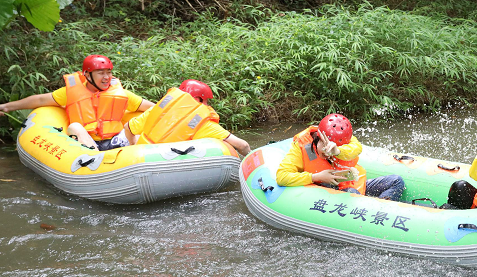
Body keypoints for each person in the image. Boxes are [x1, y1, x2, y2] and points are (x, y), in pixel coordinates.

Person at [0, 54, 154, 151]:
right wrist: (8, 107)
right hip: (89, 143)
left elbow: (152, 108)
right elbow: (40, 99)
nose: (106, 77)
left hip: (116, 140)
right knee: (74, 127)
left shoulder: (121, 94)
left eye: (109, 73)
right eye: (101, 73)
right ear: (87, 75)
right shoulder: (70, 93)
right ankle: (95, 160)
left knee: (133, 127)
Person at [276, 113, 405, 201]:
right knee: (352, 195)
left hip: (354, 184)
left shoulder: (346, 139)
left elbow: (356, 148)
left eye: (330, 148)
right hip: (328, 190)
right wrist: (315, 177)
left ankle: (378, 209)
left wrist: (337, 151)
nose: (327, 152)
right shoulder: (301, 146)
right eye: (324, 145)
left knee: (397, 181)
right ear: (317, 138)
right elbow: (282, 177)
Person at [122, 79, 251, 156]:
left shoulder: (156, 111)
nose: (208, 104)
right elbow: (242, 145)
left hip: (142, 157)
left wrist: (133, 144)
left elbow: (128, 127)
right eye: (206, 101)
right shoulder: (202, 123)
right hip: (169, 165)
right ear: (197, 99)